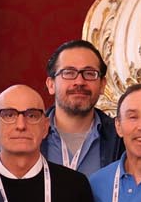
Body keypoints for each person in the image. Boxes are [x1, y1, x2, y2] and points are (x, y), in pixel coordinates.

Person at [40, 40, 125, 177]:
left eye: (90, 73)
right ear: (51, 85)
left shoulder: (121, 138)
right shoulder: (29, 132)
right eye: (69, 72)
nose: (79, 82)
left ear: (102, 85)